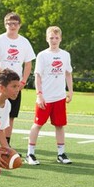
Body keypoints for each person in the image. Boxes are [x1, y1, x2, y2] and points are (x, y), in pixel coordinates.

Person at [0, 12, 35, 150]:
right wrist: (3, 76)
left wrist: (23, 82)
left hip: (15, 87)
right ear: (5, 24)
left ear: (19, 25)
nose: (12, 26)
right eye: (9, 23)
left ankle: (6, 145)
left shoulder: (24, 42)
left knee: (10, 117)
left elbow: (28, 64)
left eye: (15, 23)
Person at [26, 26, 74, 165]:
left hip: (59, 97)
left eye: (56, 38)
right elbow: (37, 76)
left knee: (59, 125)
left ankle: (61, 153)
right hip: (45, 97)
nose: (54, 40)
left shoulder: (65, 55)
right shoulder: (42, 55)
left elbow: (68, 74)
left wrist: (70, 91)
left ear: (61, 39)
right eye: (51, 38)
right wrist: (39, 95)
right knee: (37, 124)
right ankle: (30, 153)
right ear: (47, 39)